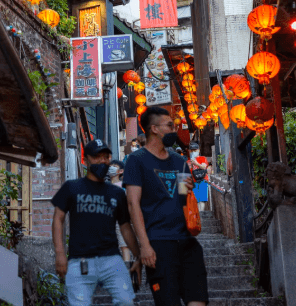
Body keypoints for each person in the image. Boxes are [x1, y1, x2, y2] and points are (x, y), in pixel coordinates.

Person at [124, 107, 209, 306]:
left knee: (198, 300)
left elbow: (181, 199)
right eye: (170, 125)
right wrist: (144, 247)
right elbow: (132, 204)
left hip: (187, 242)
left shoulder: (180, 162)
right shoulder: (137, 161)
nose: (174, 129)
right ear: (154, 128)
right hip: (159, 244)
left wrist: (188, 190)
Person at [52, 140, 142, 306]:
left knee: (126, 301)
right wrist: (59, 254)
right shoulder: (72, 187)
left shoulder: (116, 193)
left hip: (112, 259)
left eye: (106, 157)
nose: (102, 161)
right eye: (97, 157)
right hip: (80, 260)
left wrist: (138, 255)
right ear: (86, 160)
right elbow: (58, 218)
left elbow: (125, 227)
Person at [189, 142, 210, 211]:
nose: (193, 152)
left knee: (202, 200)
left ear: (198, 150)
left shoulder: (202, 158)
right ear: (190, 151)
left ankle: (201, 215)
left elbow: (204, 167)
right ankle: (199, 216)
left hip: (203, 181)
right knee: (196, 200)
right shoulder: (188, 162)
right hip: (194, 182)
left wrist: (196, 163)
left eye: (195, 150)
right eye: (192, 151)